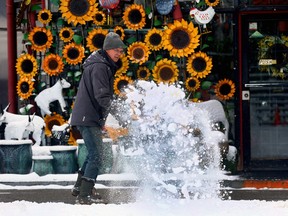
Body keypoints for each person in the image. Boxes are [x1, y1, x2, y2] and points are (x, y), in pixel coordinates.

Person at [70, 32, 126, 205]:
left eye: (121, 51)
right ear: (107, 49)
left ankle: (80, 188)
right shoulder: (100, 67)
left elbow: (101, 96)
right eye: (115, 50)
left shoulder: (101, 65)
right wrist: (120, 113)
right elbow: (102, 96)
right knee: (97, 155)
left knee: (92, 153)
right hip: (88, 116)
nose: (119, 53)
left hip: (88, 115)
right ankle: (84, 194)